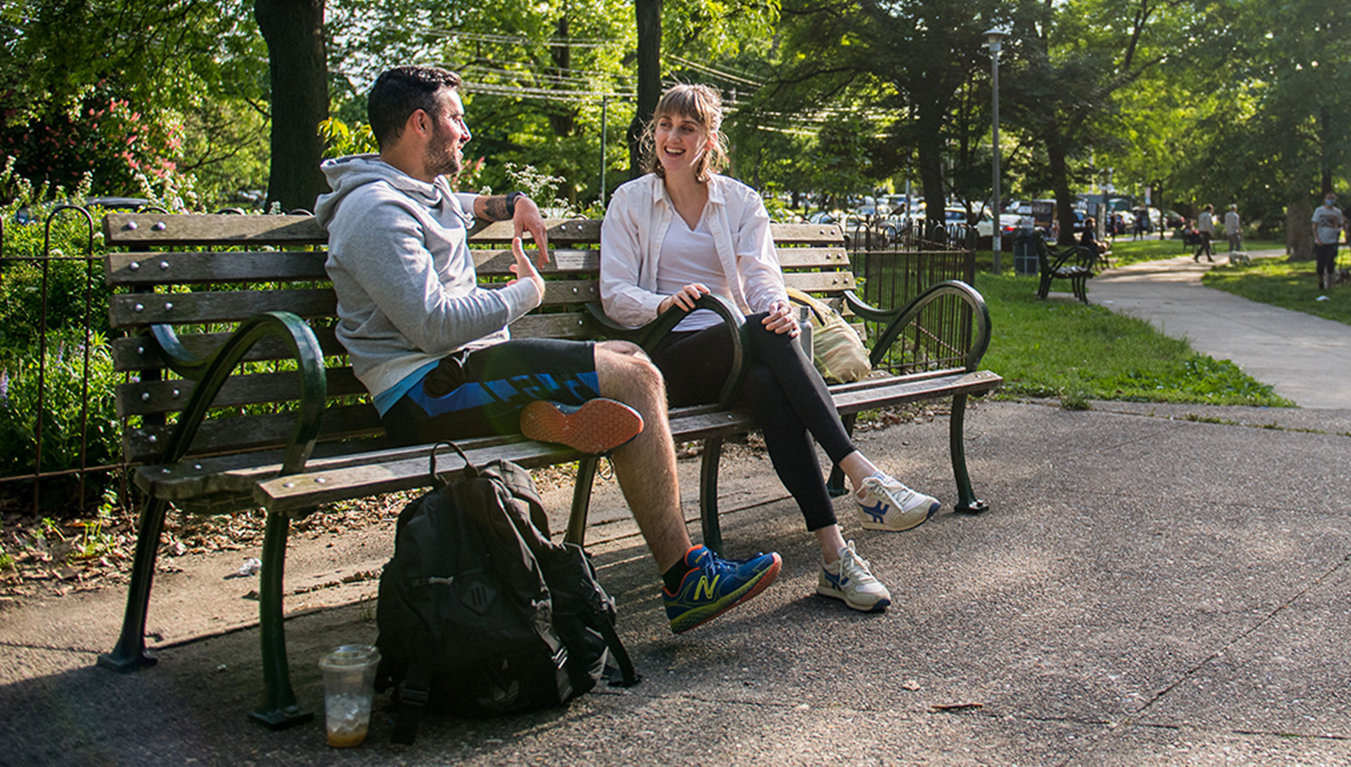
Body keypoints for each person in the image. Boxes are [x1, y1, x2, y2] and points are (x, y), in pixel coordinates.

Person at [316, 66, 781, 636]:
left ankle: (542, 416)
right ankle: (686, 581)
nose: (464, 131)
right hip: (426, 389)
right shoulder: (376, 214)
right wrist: (524, 294)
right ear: (420, 123)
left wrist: (513, 201)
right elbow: (434, 327)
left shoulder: (422, 191)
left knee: (629, 358)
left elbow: (462, 205)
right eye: (455, 118)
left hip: (467, 371)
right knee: (639, 380)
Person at [600, 84, 940, 615]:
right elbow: (616, 296)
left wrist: (777, 308)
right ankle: (863, 477)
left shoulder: (739, 201)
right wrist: (667, 302)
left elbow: (760, 279)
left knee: (768, 373)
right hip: (670, 359)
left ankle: (836, 557)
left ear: (708, 139)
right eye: (665, 125)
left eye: (687, 128)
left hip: (739, 354)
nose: (672, 137)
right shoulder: (631, 201)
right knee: (754, 332)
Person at [1311, 192, 1345, 290]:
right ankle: (1320, 282)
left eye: (1332, 198)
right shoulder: (1319, 210)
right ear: (1325, 199)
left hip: (1332, 241)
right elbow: (1314, 225)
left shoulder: (1337, 212)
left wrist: (1339, 232)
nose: (1330, 200)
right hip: (1320, 241)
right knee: (1320, 263)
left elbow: (1340, 224)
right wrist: (1317, 238)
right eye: (1329, 198)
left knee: (1330, 262)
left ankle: (1329, 283)